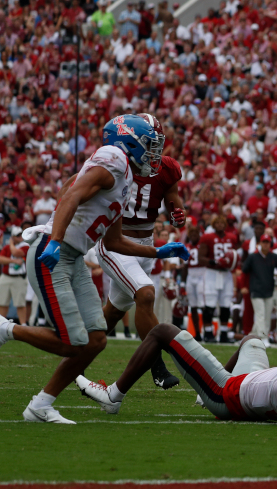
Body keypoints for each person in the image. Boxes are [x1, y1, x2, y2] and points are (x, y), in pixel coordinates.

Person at [0, 114, 188, 424]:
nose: (154, 153)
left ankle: (41, 405)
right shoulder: (114, 157)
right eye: (149, 145)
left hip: (74, 257)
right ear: (129, 141)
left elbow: (115, 241)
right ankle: (7, 328)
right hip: (54, 252)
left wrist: (157, 251)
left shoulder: (126, 176)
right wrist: (56, 239)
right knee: (72, 341)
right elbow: (72, 195)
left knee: (95, 340)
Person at [75, 319, 277, 425]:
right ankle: (202, 395)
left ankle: (113, 395)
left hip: (226, 393)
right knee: (252, 339)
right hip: (252, 385)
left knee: (162, 331)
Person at [90, 114, 185, 388]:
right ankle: (158, 366)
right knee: (145, 295)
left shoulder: (166, 168)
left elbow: (172, 200)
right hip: (116, 243)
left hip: (144, 244)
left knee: (113, 313)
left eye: (157, 144)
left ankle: (74, 351)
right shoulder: (115, 165)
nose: (155, 151)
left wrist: (178, 214)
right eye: (149, 144)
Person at [199, 214, 239, 343]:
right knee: (209, 305)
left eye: (222, 223)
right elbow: (201, 258)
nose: (220, 225)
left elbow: (235, 256)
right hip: (212, 273)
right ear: (214, 224)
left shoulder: (232, 237)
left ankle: (223, 334)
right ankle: (208, 333)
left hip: (226, 274)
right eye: (218, 223)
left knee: (226, 305)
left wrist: (229, 263)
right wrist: (215, 261)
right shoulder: (207, 237)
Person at [240, 234, 277, 342]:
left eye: (267, 242)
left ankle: (251, 336)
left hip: (269, 290)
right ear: (259, 244)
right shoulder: (252, 257)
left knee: (267, 315)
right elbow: (244, 272)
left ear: (270, 244)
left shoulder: (274, 257)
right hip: (255, 290)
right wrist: (243, 286)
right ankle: (263, 337)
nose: (265, 244)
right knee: (260, 314)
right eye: (263, 242)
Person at [0, 226, 28, 321]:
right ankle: (1, 323)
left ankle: (23, 324)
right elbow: (0, 259)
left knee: (20, 303)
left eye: (21, 235)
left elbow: (16, 253)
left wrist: (11, 244)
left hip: (18, 278)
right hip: (6, 276)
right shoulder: (6, 247)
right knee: (3, 302)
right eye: (17, 236)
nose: (20, 237)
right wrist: (13, 261)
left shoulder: (25, 246)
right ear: (13, 237)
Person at [183, 225, 208, 341]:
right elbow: (184, 265)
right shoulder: (187, 246)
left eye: (195, 235)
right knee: (192, 305)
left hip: (202, 274)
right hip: (190, 275)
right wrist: (183, 282)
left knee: (202, 304)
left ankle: (207, 330)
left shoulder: (202, 246)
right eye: (191, 235)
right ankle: (197, 332)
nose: (193, 237)